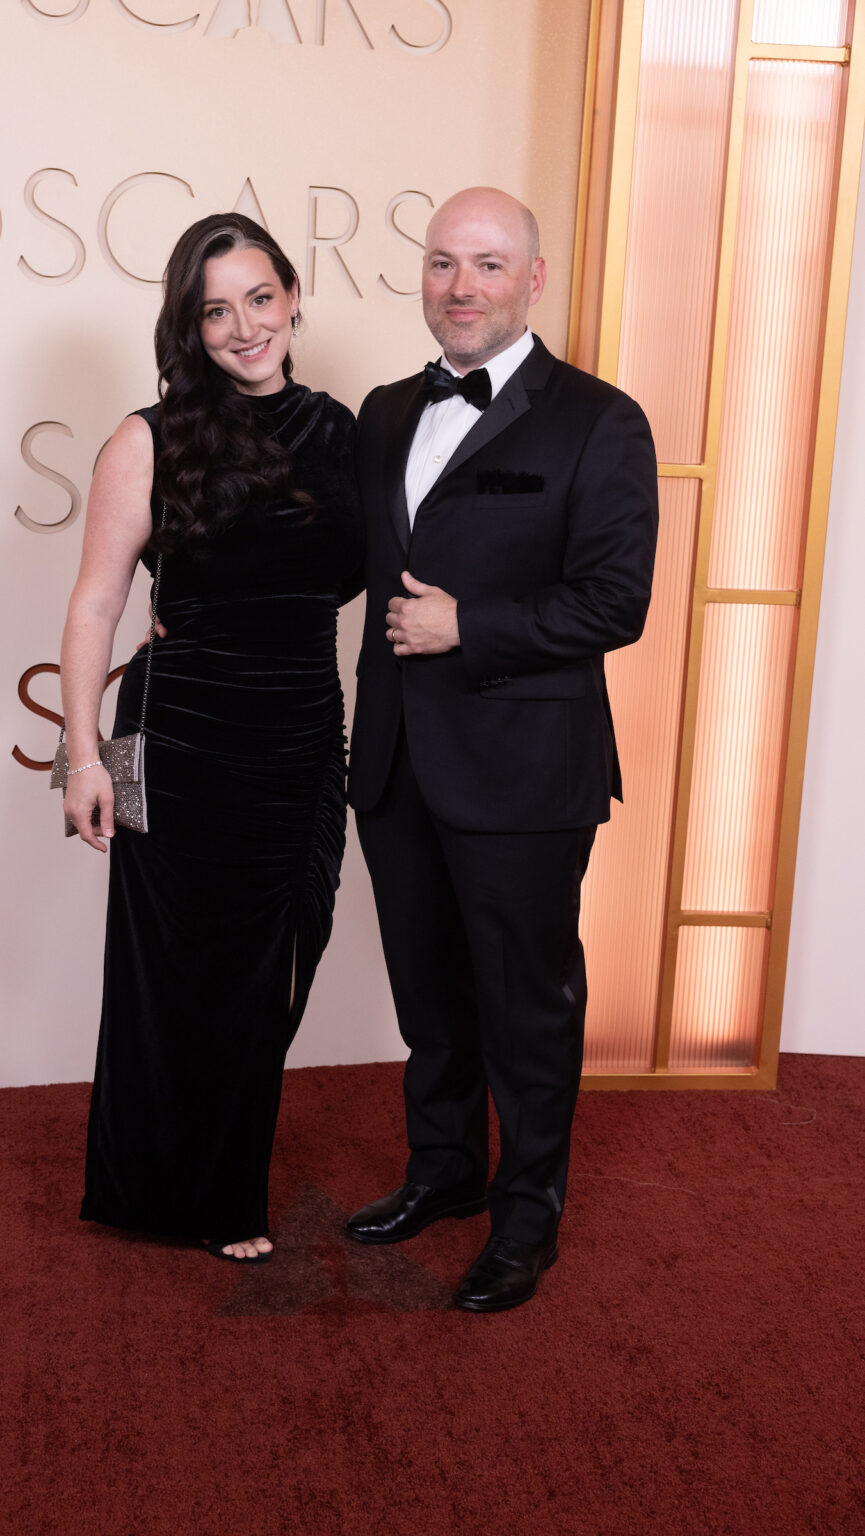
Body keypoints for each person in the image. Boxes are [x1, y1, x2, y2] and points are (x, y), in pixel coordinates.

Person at [344, 187, 658, 1311]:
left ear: (532, 279)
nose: (460, 286)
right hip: (395, 761)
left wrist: (466, 626)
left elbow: (615, 601)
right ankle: (443, 1173)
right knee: (427, 998)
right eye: (442, 263)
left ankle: (527, 1220)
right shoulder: (384, 410)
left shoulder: (600, 420)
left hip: (524, 773)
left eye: (485, 264)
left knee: (526, 1007)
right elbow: (343, 557)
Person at [59, 214, 362, 1263]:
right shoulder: (147, 437)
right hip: (176, 737)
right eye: (215, 311)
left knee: (276, 963)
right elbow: (98, 602)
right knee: (171, 969)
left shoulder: (342, 433)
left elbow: (347, 571)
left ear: (291, 297)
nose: (244, 328)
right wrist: (82, 757)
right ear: (189, 328)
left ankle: (207, 1168)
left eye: (259, 299)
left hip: (302, 734)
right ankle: (190, 1195)